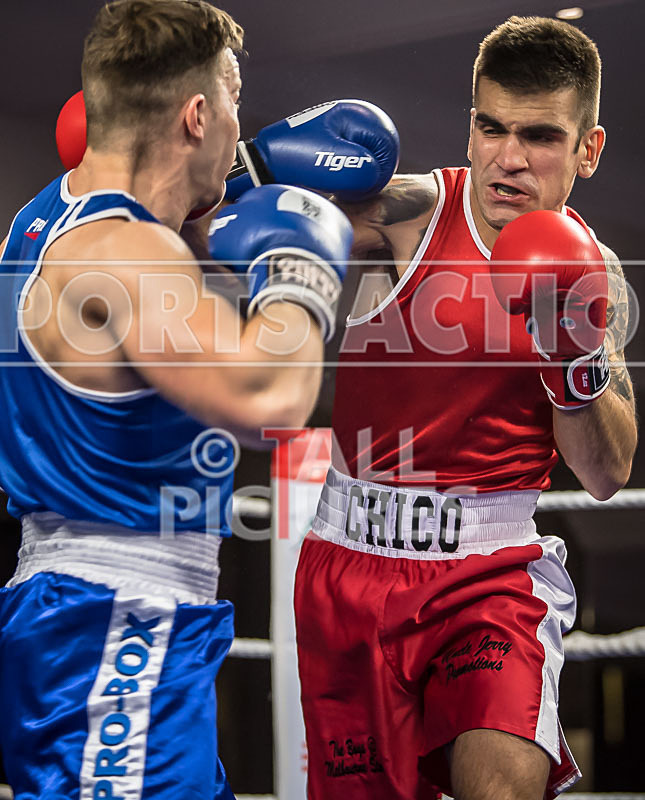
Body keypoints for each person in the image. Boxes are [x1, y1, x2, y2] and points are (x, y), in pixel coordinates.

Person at [0, 0, 365, 797]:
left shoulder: (41, 222)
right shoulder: (123, 254)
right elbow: (270, 395)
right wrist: (299, 270)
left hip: (99, 619)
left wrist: (225, 208)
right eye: (234, 101)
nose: (242, 125)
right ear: (197, 114)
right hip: (115, 625)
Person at [284, 15, 637, 800]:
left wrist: (570, 358)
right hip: (350, 568)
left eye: (539, 136)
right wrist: (245, 170)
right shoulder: (406, 213)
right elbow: (227, 233)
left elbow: (607, 471)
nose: (507, 158)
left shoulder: (594, 271)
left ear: (588, 149)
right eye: (489, 127)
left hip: (490, 577)